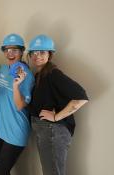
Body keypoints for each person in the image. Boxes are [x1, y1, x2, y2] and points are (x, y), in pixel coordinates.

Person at [27, 34, 88, 175]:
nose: (37, 56)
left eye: (42, 52)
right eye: (34, 53)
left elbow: (81, 97)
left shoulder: (53, 74)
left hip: (53, 132)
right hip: (46, 132)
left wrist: (56, 117)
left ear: (50, 54)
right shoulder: (38, 76)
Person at [0, 34, 35, 175]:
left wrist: (16, 85)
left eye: (14, 50)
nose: (10, 54)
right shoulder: (3, 69)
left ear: (22, 52)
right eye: (7, 50)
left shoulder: (26, 75)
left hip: (15, 131)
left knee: (0, 172)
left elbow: (20, 105)